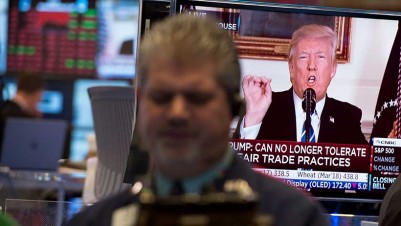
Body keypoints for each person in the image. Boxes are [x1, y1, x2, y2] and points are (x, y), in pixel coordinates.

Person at [67, 15, 329, 226]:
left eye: (197, 97)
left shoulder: (294, 217)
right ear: (141, 103)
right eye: (161, 96)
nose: (177, 113)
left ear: (232, 107)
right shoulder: (94, 222)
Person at [233, 24, 368, 144]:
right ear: (291, 68)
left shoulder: (347, 116)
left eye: (320, 57)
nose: (312, 66)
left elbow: (366, 167)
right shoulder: (265, 108)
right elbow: (235, 167)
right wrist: (254, 119)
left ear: (333, 68)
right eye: (303, 57)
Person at [0, 74, 43, 153]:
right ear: (35, 94)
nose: (38, 102)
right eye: (39, 98)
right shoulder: (25, 120)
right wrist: (36, 123)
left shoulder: (3, 108)